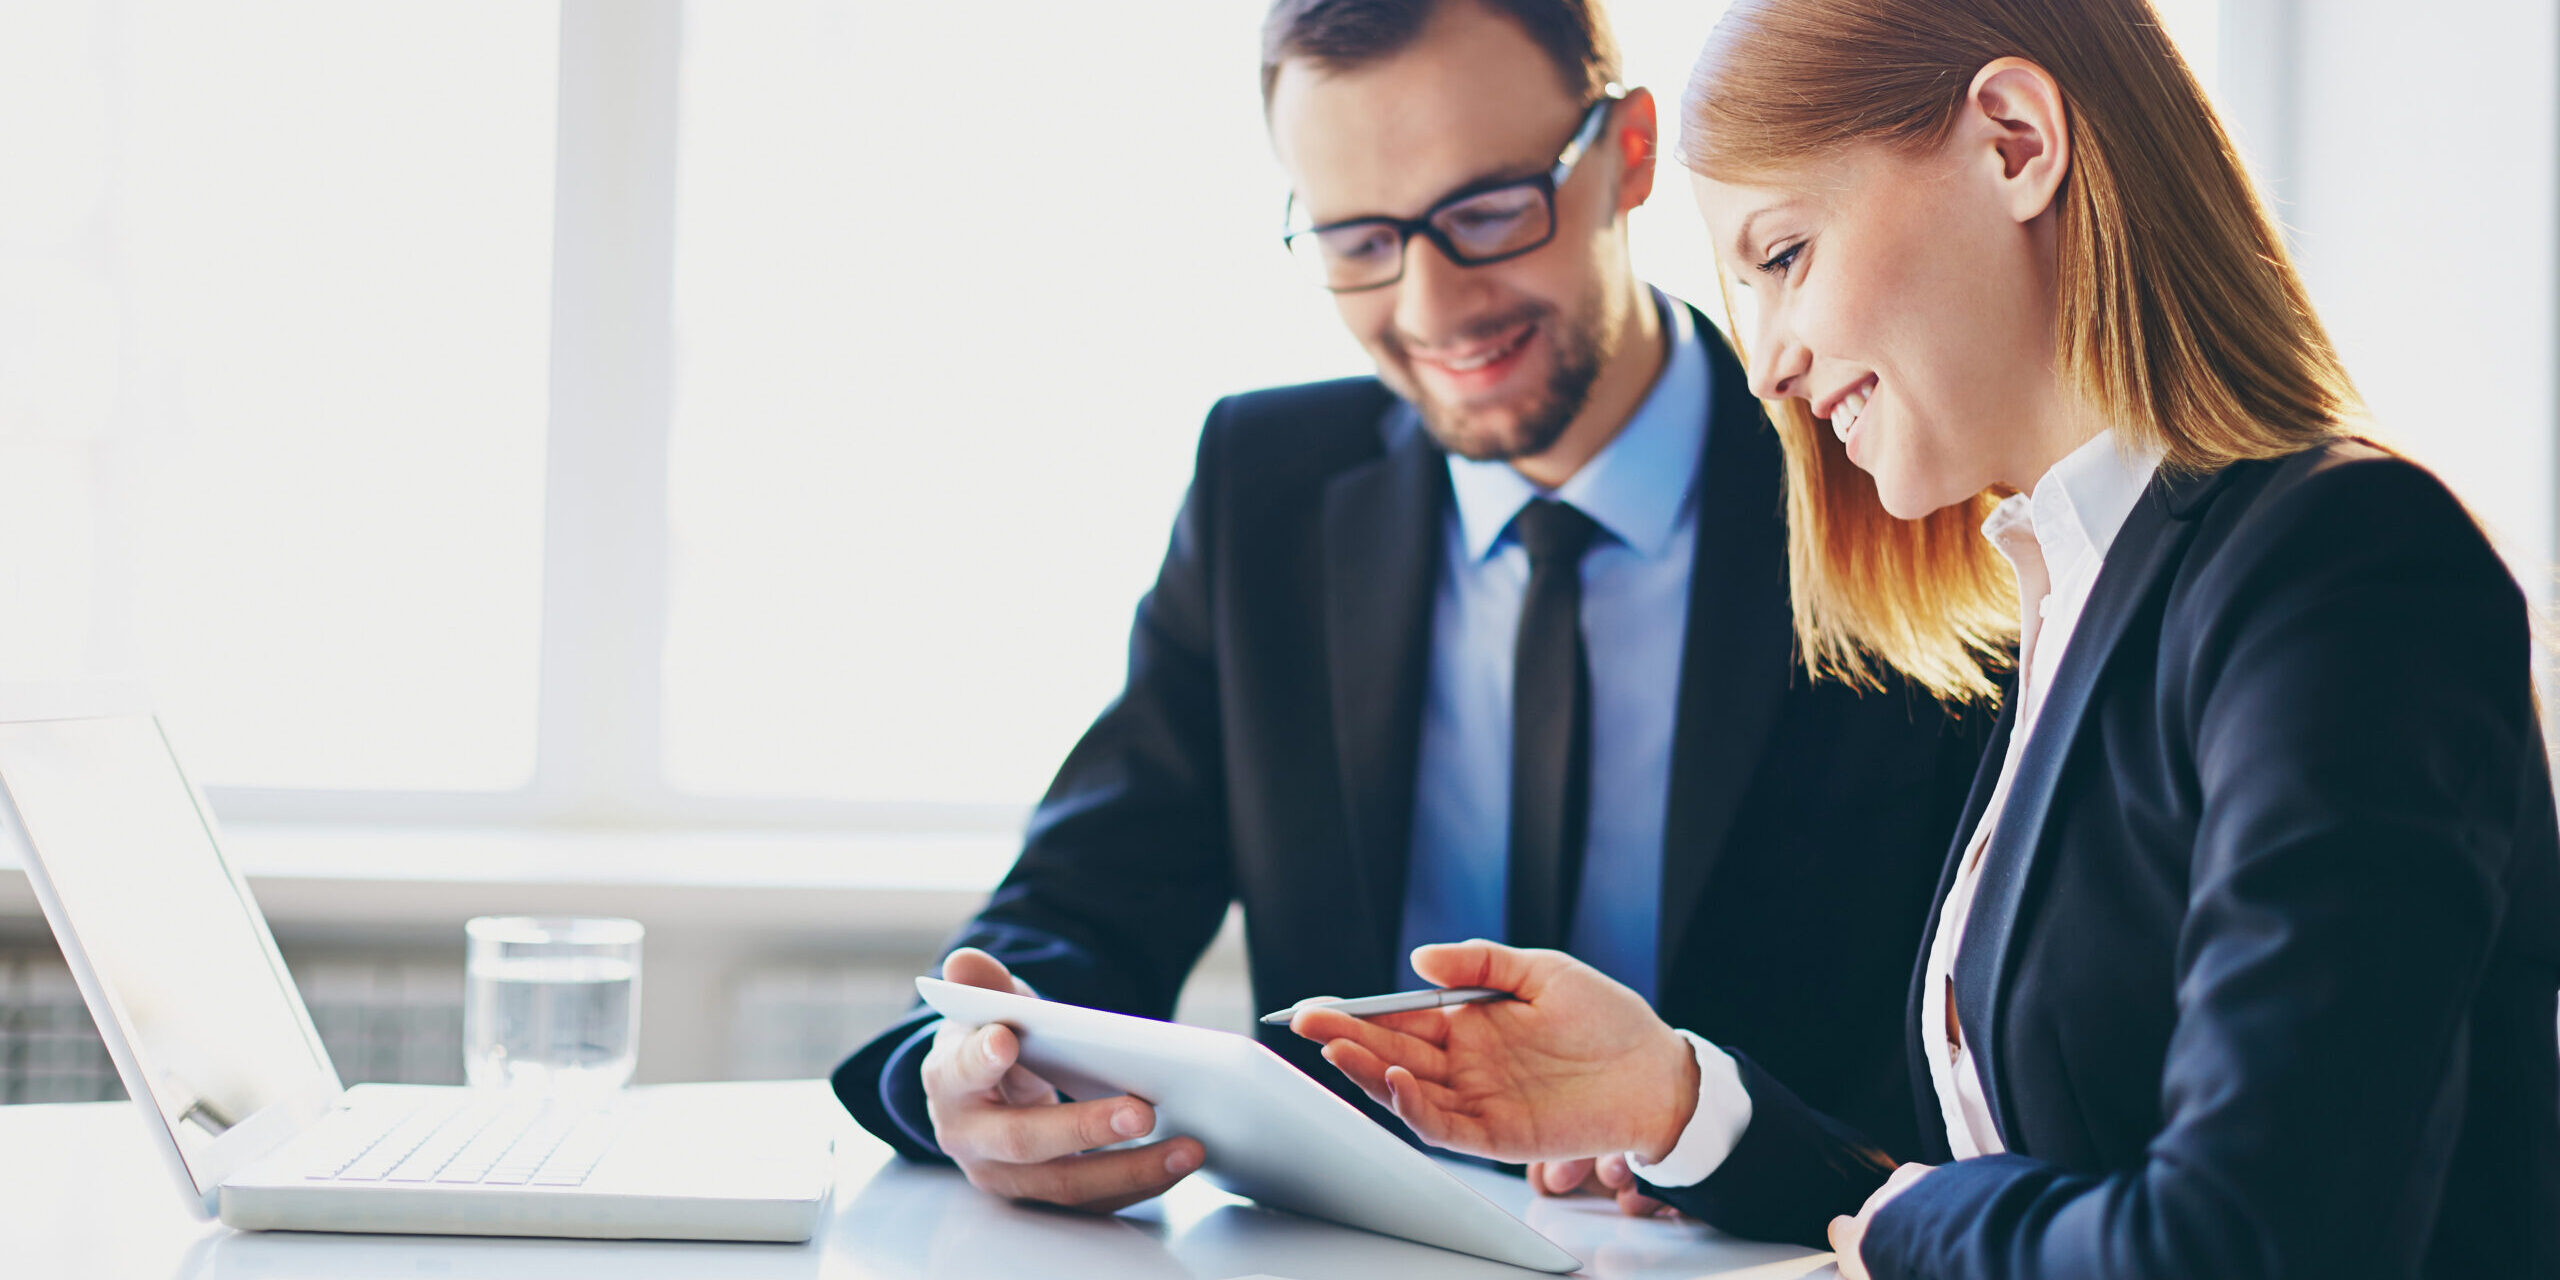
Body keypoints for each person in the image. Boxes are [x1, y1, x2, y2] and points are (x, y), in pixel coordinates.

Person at [1291, 0, 2560, 1275]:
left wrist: (1915, 1224)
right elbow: (2026, 1190)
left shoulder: (2344, 563)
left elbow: (2238, 1238)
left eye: (1784, 254)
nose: (1765, 367)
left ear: (2014, 143)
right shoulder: (2068, 589)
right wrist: (1675, 1100)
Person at [829, 0, 1992, 1216]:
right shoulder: (1263, 489)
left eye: (1487, 212)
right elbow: (1080, 904)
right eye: (1358, 239)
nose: (1433, 306)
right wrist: (967, 1071)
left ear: (1629, 155)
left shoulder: (1894, 469)